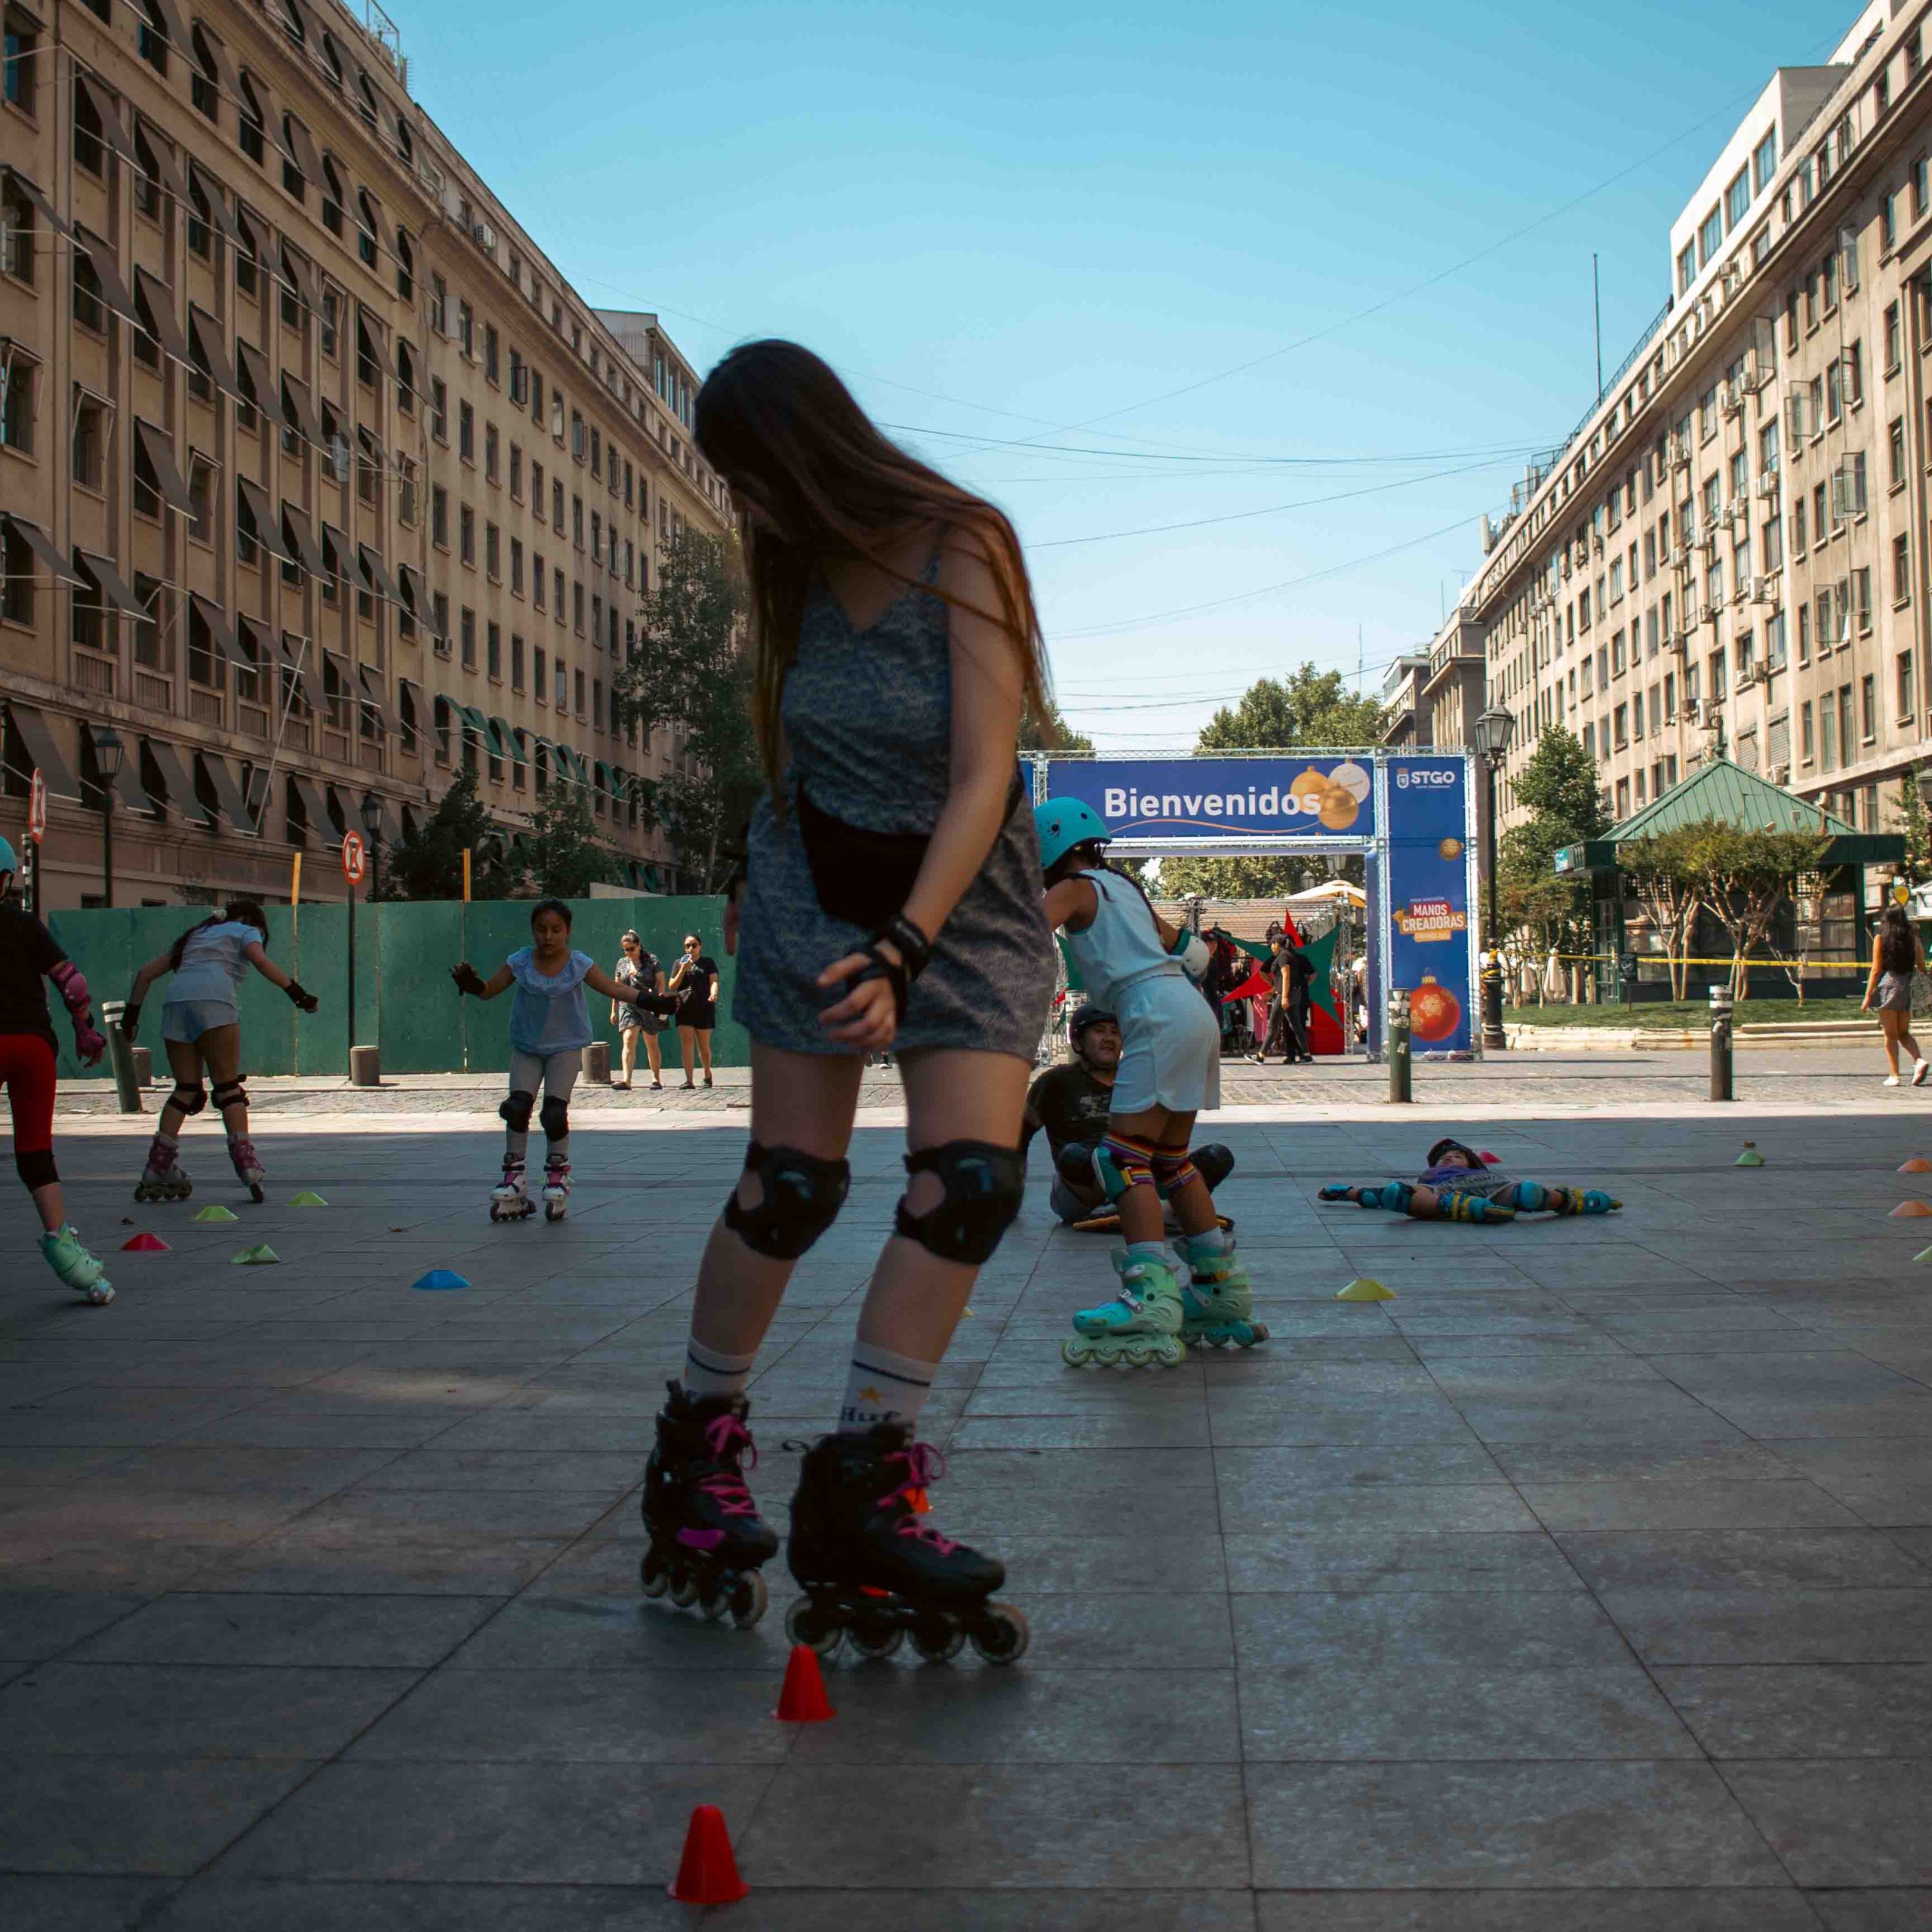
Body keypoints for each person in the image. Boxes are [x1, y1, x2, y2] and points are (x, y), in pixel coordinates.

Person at [635, 338, 1051, 1661]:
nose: (744, 504)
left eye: (750, 475)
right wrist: (786, 904)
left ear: (804, 451)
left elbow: (986, 772)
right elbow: (792, 757)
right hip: (813, 885)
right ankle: (697, 1452)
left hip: (960, 896)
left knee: (970, 1186)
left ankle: (865, 1483)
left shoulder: (961, 545)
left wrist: (907, 947)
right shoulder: (793, 573)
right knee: (791, 1188)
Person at [1038, 797, 1266, 1365]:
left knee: (1121, 1158)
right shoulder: (1126, 888)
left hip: (1150, 1013)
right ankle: (1218, 1289)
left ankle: (1148, 1295)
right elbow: (1194, 954)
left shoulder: (1072, 889)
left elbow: (1023, 934)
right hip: (1188, 1008)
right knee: (1170, 1160)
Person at [451, 898, 632, 1221]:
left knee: (553, 1113)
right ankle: (514, 1178)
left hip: (565, 1047)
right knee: (517, 1107)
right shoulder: (520, 961)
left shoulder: (578, 964)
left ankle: (557, 1175)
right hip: (527, 1045)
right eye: (541, 929)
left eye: (556, 930)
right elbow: (489, 990)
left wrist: (656, 1002)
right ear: (533, 931)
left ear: (567, 931)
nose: (548, 936)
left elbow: (613, 989)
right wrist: (472, 984)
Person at [125, 901, 318, 1204]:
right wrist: (299, 995)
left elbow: (146, 973)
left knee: (185, 1089)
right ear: (254, 922)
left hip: (176, 1002)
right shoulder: (246, 930)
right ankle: (246, 1163)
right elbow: (260, 961)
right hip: (215, 1000)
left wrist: (131, 1018)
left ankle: (157, 1167)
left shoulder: (194, 935)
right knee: (227, 1087)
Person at [0, 835, 113, 1303]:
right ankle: (73, 1261)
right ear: (6, 879)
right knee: (35, 1151)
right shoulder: (24, 924)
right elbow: (71, 982)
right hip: (31, 1046)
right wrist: (84, 1029)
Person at [1025, 1002, 1234, 1227]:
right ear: (1077, 1042)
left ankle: (1167, 1208)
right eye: (1099, 1031)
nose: (1108, 1038)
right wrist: (1010, 1187)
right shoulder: (1055, 1082)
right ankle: (1129, 1208)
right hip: (1082, 1191)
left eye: (1115, 1032)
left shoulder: (1139, 1079)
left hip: (1140, 1175)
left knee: (1217, 1156)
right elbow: (1021, 1134)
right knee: (1075, 1154)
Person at [1320, 1137, 1620, 1221]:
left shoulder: (1482, 1173)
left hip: (1488, 1187)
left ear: (1472, 1163)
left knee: (1528, 1194)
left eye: (1456, 1156)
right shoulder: (1430, 1177)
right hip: (1441, 1190)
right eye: (1444, 1158)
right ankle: (1459, 1208)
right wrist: (1348, 1192)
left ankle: (1570, 1201)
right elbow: (1374, 1195)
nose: (1448, 1158)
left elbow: (1507, 1184)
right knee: (1397, 1195)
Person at [1862, 902, 1929, 1087]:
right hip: (1909, 986)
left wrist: (1868, 995)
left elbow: (1876, 969)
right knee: (1904, 1032)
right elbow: (1921, 965)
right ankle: (1919, 1061)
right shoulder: (1913, 938)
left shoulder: (1880, 938)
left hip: (1890, 985)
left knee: (1890, 1035)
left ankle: (1894, 1075)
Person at [611, 930, 669, 1091]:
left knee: (651, 1041)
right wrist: (614, 1010)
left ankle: (656, 1079)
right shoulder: (622, 963)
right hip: (628, 1005)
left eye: (632, 949)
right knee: (629, 1038)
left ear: (639, 946)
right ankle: (626, 1080)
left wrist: (659, 1001)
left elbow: (661, 981)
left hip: (648, 1004)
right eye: (625, 950)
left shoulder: (651, 960)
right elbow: (616, 987)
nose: (629, 953)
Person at [667, 933, 720, 1089]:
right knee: (687, 1044)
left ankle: (707, 1074)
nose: (691, 948)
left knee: (703, 1046)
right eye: (687, 946)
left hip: (704, 1007)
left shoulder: (708, 962)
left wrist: (714, 993)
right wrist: (683, 969)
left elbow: (714, 981)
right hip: (685, 1008)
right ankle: (689, 1080)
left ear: (700, 946)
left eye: (694, 945)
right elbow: (672, 985)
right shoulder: (679, 963)